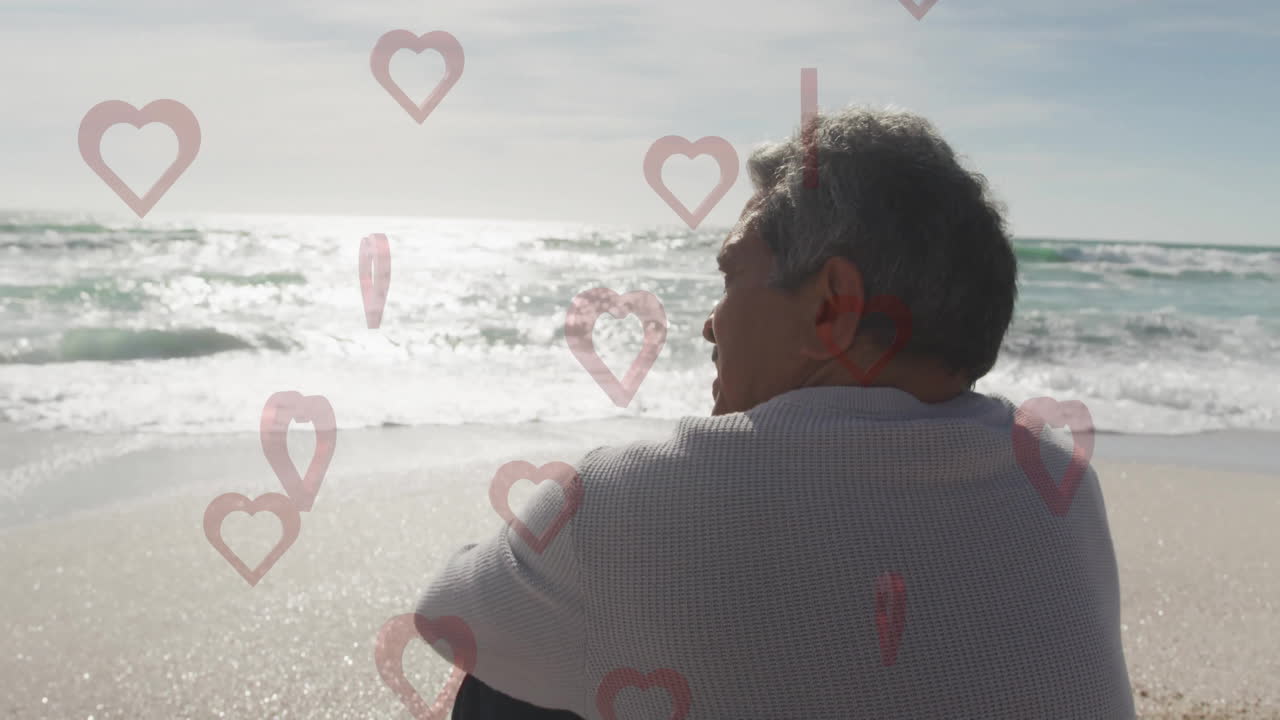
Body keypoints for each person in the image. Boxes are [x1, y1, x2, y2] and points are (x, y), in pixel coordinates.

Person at [416, 105, 1135, 719]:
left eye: (730, 278)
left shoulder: (626, 501)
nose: (709, 325)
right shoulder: (1059, 484)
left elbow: (447, 616)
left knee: (511, 670)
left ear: (832, 308)